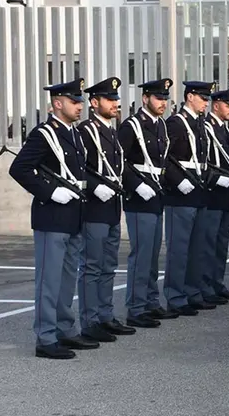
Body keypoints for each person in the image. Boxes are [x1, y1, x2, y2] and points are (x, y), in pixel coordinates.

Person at [8, 78, 98, 359]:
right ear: (57, 103)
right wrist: (50, 192)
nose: (80, 106)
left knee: (67, 278)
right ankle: (46, 338)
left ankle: (65, 329)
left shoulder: (74, 134)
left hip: (73, 215)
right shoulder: (44, 134)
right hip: (52, 215)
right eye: (74, 101)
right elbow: (19, 168)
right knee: (49, 280)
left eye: (80, 101)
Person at [77, 76, 136, 343]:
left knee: (109, 265)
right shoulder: (86, 131)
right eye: (110, 100)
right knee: (92, 265)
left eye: (116, 100)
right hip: (94, 208)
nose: (115, 104)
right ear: (94, 102)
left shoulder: (112, 131)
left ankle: (105, 315)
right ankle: (90, 321)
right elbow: (76, 170)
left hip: (112, 206)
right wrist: (91, 187)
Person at [119, 78, 178, 328]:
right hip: (139, 197)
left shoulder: (161, 126)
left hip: (156, 194)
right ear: (145, 99)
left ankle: (151, 301)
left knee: (153, 254)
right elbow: (118, 162)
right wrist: (136, 184)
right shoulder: (131, 126)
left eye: (165, 99)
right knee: (141, 254)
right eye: (158, 98)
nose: (162, 103)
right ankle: (136, 307)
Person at [163, 81, 213, 316]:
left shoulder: (200, 123)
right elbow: (164, 158)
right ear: (190, 97)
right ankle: (175, 295)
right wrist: (176, 180)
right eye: (203, 98)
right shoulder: (176, 123)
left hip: (199, 191)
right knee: (179, 249)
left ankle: (193, 292)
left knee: (197, 248)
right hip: (180, 194)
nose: (206, 102)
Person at [200, 86, 229, 304]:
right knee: (209, 243)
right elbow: (204, 162)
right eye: (228, 105)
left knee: (220, 242)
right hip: (213, 193)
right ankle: (206, 286)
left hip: (226, 194)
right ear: (216, 106)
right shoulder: (207, 128)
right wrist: (217, 179)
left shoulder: (225, 129)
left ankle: (216, 283)